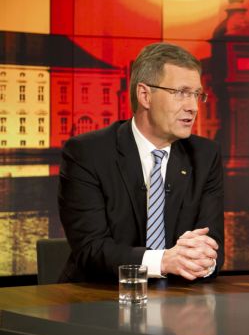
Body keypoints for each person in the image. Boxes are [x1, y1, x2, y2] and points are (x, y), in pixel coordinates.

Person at [58, 42, 224, 283]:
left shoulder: (205, 155)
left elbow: (213, 245)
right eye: (181, 93)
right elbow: (91, 249)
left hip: (180, 298)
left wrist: (204, 260)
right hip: (97, 295)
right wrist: (162, 261)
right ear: (145, 95)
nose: (193, 107)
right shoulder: (87, 153)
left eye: (197, 95)